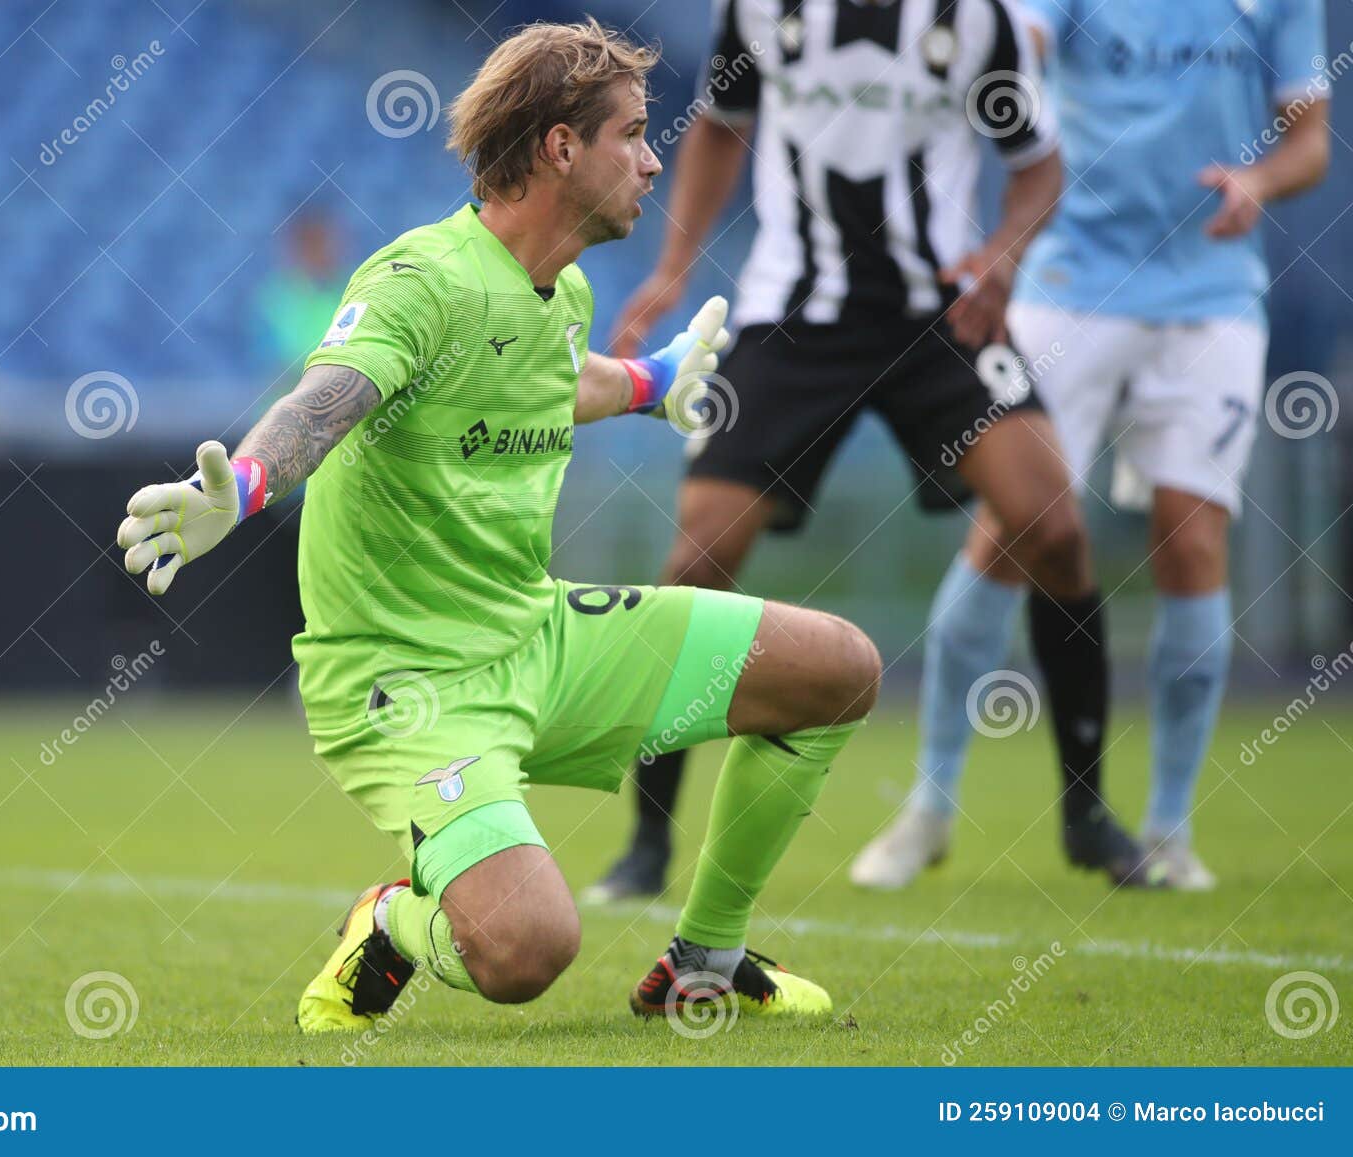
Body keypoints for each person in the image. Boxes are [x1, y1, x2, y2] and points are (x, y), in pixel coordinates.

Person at [116, 20, 882, 1032]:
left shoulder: (560, 289)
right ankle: (392, 921)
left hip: (536, 634)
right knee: (525, 949)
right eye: (633, 134)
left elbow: (554, 379)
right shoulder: (418, 279)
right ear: (560, 148)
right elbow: (331, 396)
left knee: (837, 668)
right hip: (410, 680)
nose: (654, 159)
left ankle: (702, 960)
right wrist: (247, 483)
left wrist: (657, 384)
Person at [590, 0, 1154, 902]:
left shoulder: (981, 21)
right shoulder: (760, 11)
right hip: (793, 320)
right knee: (698, 558)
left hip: (940, 313)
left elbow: (1038, 167)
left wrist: (1002, 259)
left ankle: (1088, 816)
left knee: (1054, 528)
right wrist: (674, 265)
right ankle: (647, 841)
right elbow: (720, 131)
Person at [857, 0, 1330, 891]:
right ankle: (929, 804)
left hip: (1212, 293)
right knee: (1014, 527)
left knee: (1193, 542)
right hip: (1069, 284)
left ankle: (1168, 829)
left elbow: (1311, 139)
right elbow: (1018, 44)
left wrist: (1259, 183)